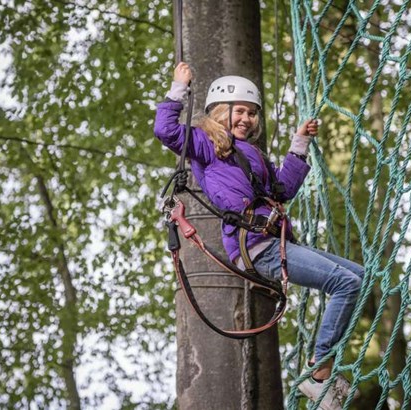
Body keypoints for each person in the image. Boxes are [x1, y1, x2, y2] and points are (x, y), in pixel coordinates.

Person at [154, 62, 364, 410]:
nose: (247, 119)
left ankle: (324, 369)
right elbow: (166, 131)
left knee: (359, 276)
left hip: (272, 239)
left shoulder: (253, 155)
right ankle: (320, 372)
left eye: (252, 113)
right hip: (254, 244)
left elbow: (282, 190)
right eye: (240, 111)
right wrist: (178, 88)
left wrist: (300, 143)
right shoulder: (208, 144)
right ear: (221, 112)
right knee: (346, 284)